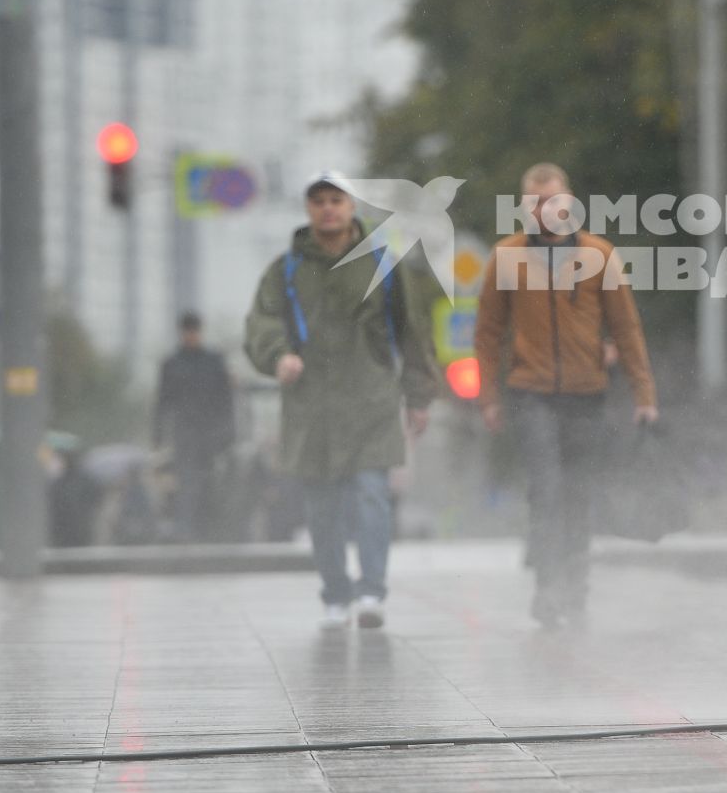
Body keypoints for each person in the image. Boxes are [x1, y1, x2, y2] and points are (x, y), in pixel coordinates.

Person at [245, 171, 440, 630]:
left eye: (337, 200)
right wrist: (279, 358)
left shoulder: (383, 266)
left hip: (371, 399)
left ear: (352, 208)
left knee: (373, 494)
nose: (328, 208)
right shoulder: (286, 270)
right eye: (319, 202)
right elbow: (262, 323)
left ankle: (371, 591)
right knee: (322, 506)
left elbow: (412, 334)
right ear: (309, 210)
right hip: (311, 406)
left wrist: (419, 397)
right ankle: (335, 592)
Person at [474, 162, 658, 629]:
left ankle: (575, 586)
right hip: (529, 391)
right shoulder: (507, 257)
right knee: (547, 489)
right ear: (523, 208)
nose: (543, 211)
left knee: (578, 493)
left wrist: (644, 394)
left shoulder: (599, 255)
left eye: (551, 201)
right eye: (534, 203)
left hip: (586, 393)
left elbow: (626, 328)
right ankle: (548, 587)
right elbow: (488, 332)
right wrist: (488, 398)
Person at [153, 312, 236, 542]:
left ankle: (211, 532)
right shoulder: (171, 364)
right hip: (185, 433)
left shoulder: (214, 361)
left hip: (212, 434)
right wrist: (157, 434)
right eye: (187, 332)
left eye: (194, 331)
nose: (191, 336)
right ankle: (186, 533)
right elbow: (162, 401)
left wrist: (228, 430)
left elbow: (226, 399)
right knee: (187, 483)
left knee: (211, 483)